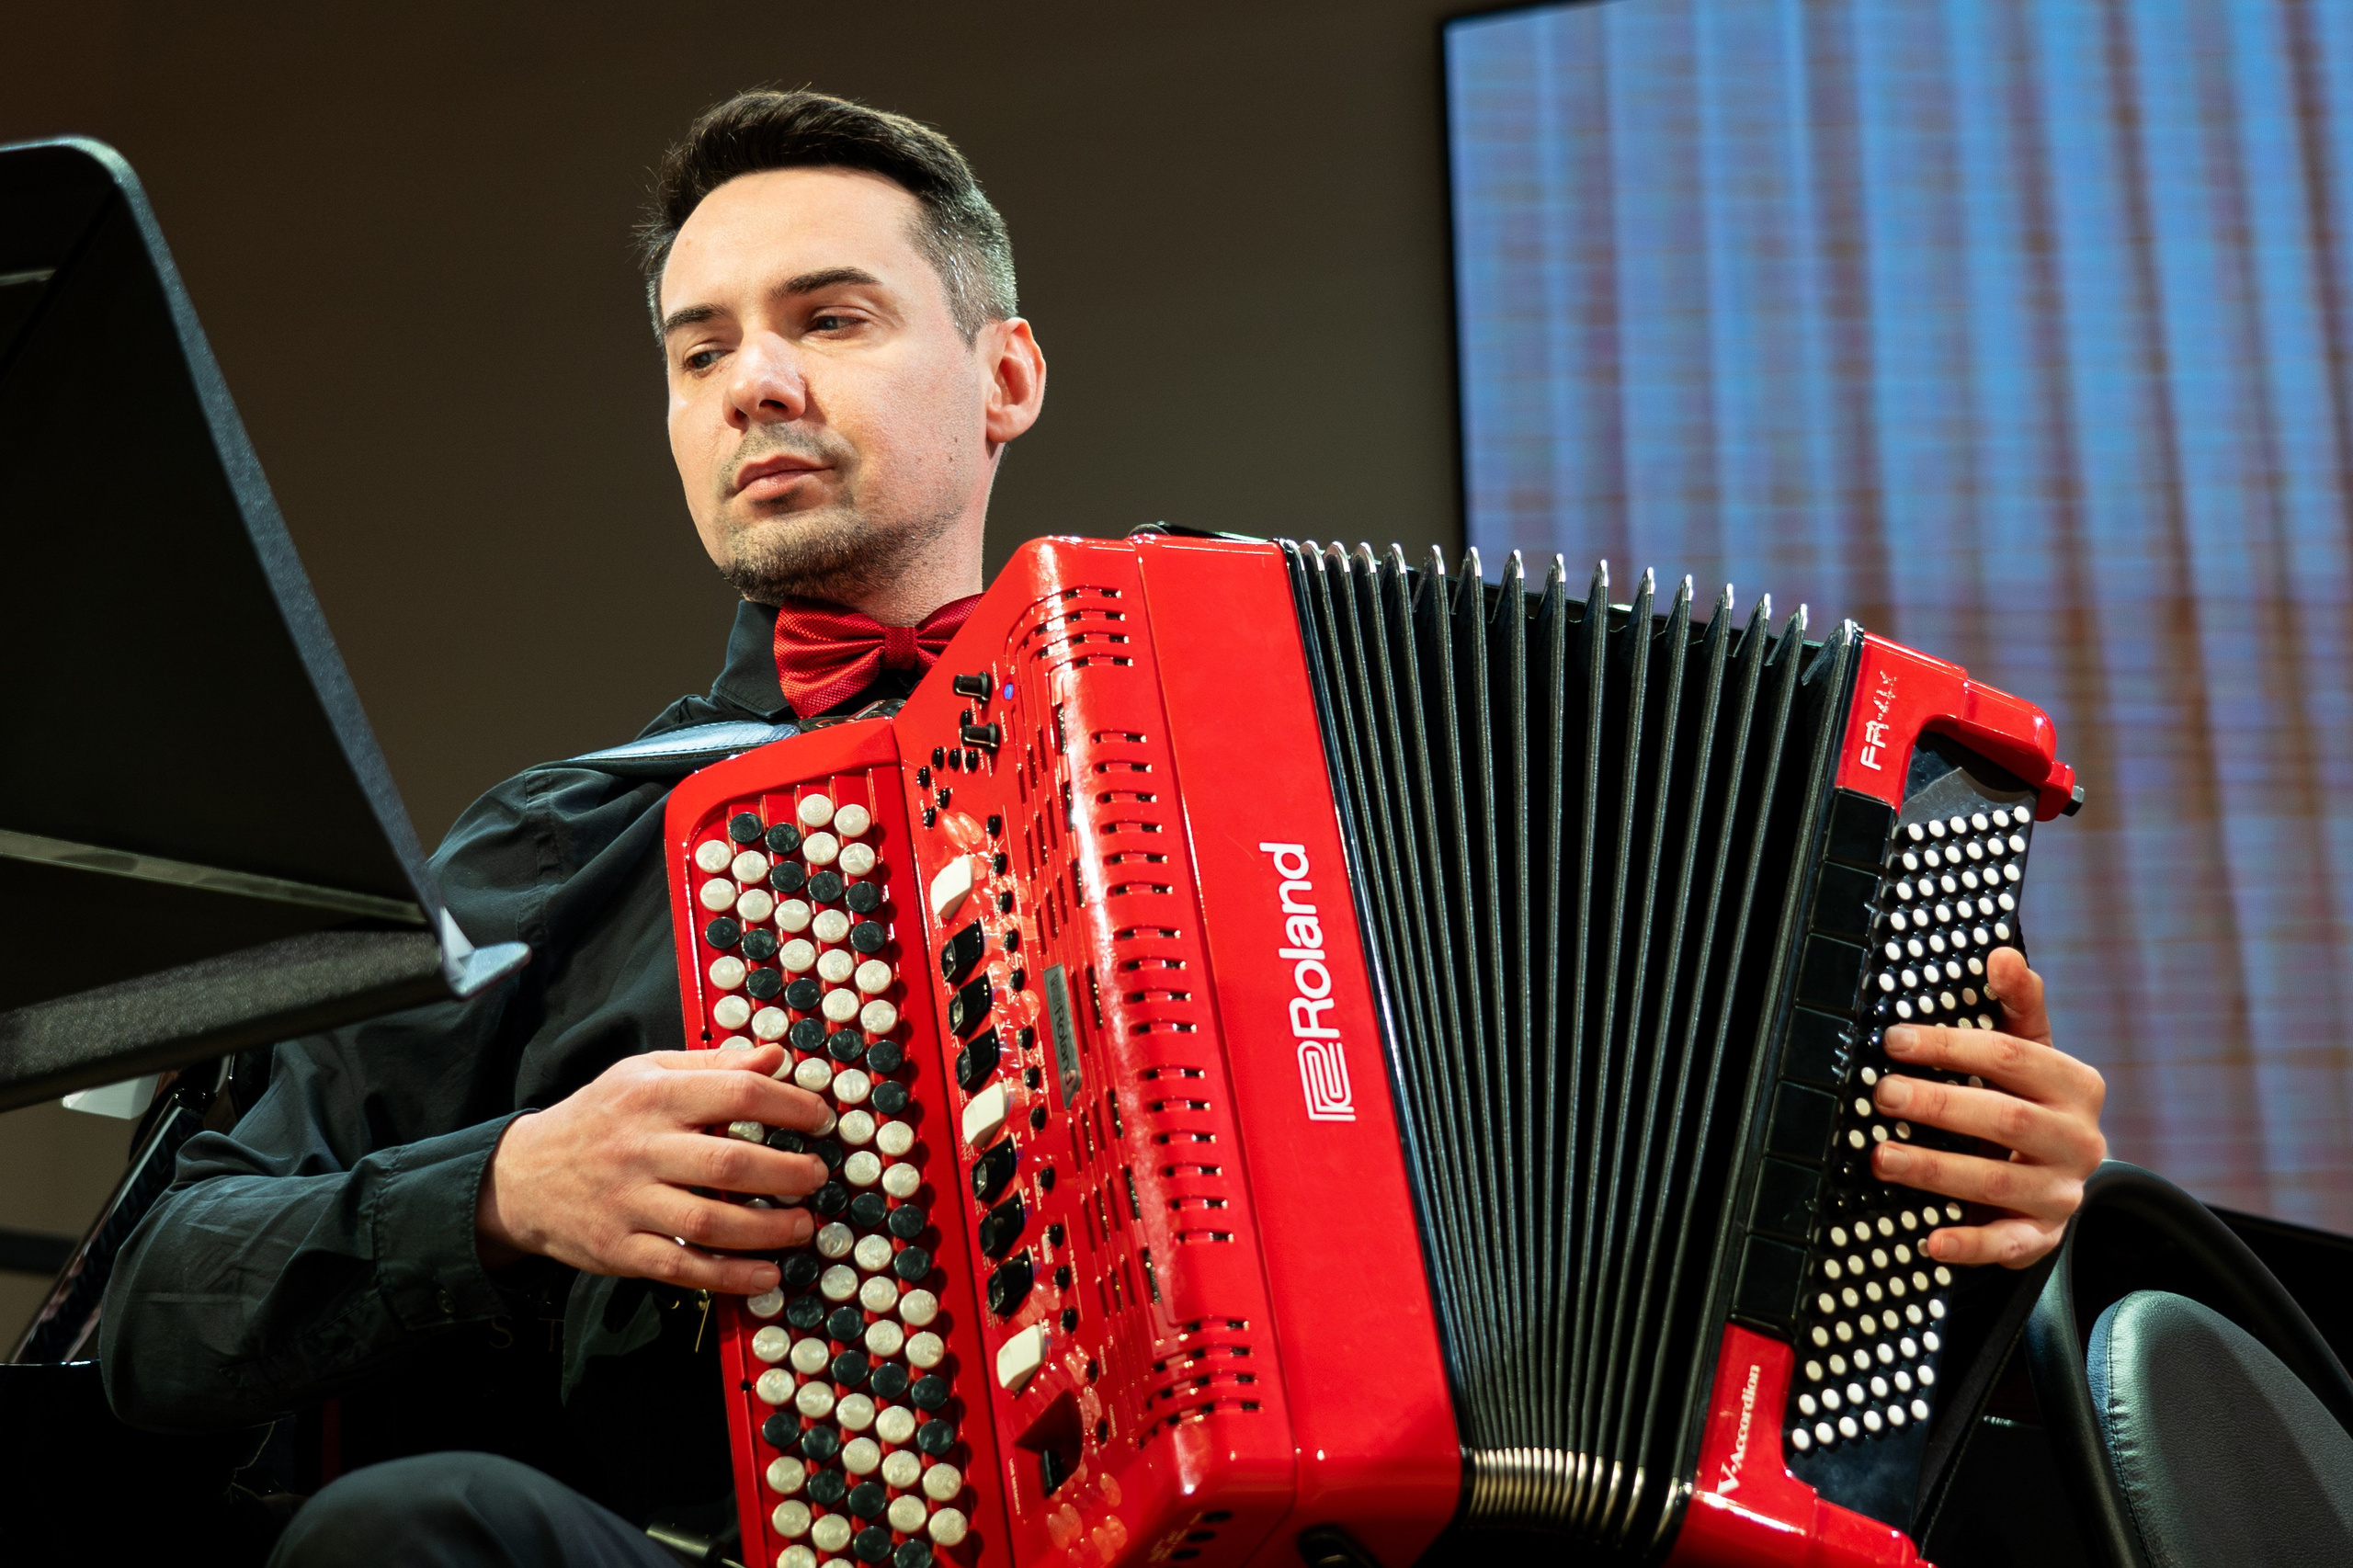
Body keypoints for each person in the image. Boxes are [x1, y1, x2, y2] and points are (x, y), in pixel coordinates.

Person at [98, 88, 2108, 1568]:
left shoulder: (1297, 728)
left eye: (828, 317)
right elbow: (161, 1296)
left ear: (1006, 375)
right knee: (421, 1534)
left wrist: (1961, 1198)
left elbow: (1706, 1234)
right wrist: (505, 1185)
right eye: (699, 351)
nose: (753, 382)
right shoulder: (562, 847)